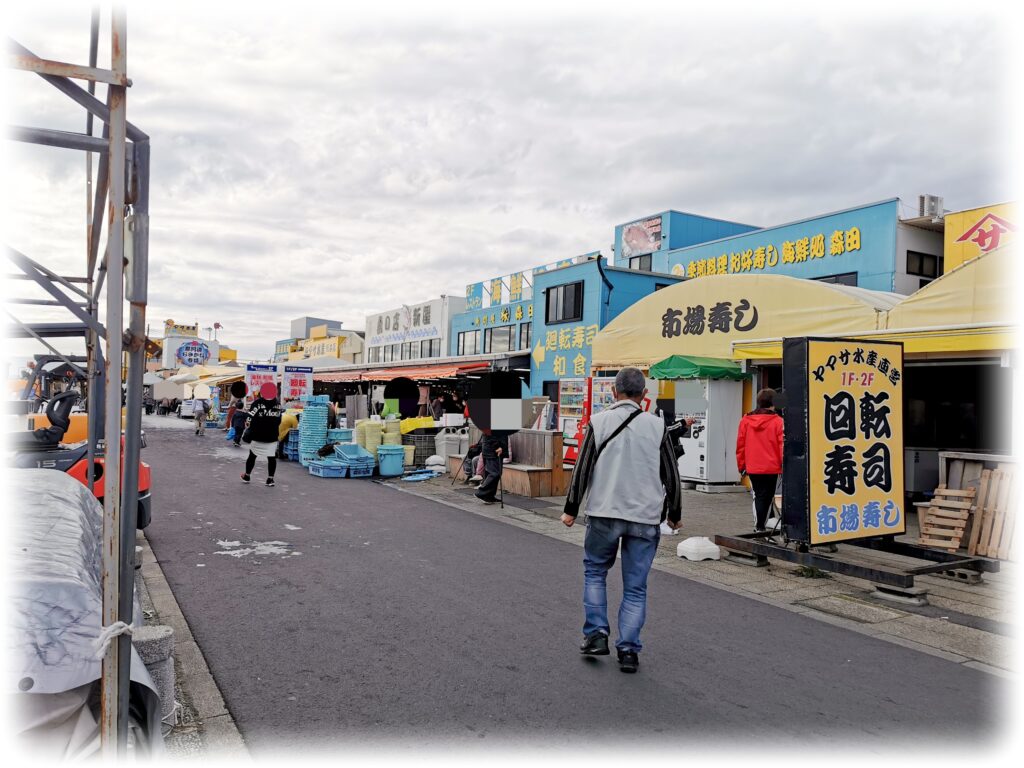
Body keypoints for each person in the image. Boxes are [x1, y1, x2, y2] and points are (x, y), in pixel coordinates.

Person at [561, 367, 682, 674]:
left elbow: (582, 468)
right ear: (644, 396)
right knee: (636, 587)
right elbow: (672, 475)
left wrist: (571, 509)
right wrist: (675, 514)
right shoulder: (658, 427)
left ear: (613, 392)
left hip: (603, 512)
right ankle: (628, 650)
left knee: (595, 572)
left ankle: (596, 634)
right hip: (644, 517)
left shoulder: (598, 422)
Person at [736, 387, 784, 533]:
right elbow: (782, 445)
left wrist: (741, 466)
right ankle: (761, 527)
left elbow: (740, 445)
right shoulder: (778, 422)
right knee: (767, 496)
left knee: (758, 496)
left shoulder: (746, 420)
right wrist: (784, 464)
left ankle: (760, 527)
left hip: (753, 467)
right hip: (771, 467)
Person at [241, 383, 283, 487]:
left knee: (252, 456)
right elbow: (279, 421)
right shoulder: (277, 404)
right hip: (272, 436)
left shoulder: (257, 403)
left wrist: (248, 425)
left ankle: (247, 475)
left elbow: (249, 418)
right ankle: (270, 479)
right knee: (271, 458)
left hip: (257, 435)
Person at [474, 429, 509, 504]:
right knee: (495, 473)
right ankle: (482, 492)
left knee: (493, 472)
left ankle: (489, 496)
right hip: (493, 450)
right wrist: (497, 446)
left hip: (491, 449)